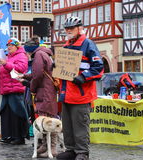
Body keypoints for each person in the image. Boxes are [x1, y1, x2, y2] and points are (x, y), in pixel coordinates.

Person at [56, 16, 104, 160]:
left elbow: (99, 68)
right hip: (66, 93)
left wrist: (83, 77)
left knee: (80, 126)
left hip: (81, 95)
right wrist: (56, 66)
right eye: (67, 28)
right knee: (68, 125)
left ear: (80, 28)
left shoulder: (88, 44)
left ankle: (82, 152)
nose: (69, 31)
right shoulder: (66, 46)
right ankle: (70, 149)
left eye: (71, 28)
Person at [22, 36, 58, 157]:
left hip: (44, 91)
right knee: (45, 118)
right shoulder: (43, 53)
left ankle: (52, 148)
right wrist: (24, 76)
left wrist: (32, 89)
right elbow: (37, 73)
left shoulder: (38, 55)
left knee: (48, 119)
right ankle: (44, 145)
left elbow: (37, 75)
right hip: (47, 90)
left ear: (29, 49)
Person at [0, 38, 29, 145]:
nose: (9, 47)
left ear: (17, 46)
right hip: (6, 89)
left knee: (16, 113)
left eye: (11, 45)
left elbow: (21, 68)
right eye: (8, 45)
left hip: (15, 88)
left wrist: (5, 64)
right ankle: (8, 135)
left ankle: (19, 137)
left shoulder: (21, 56)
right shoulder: (8, 57)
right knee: (6, 113)